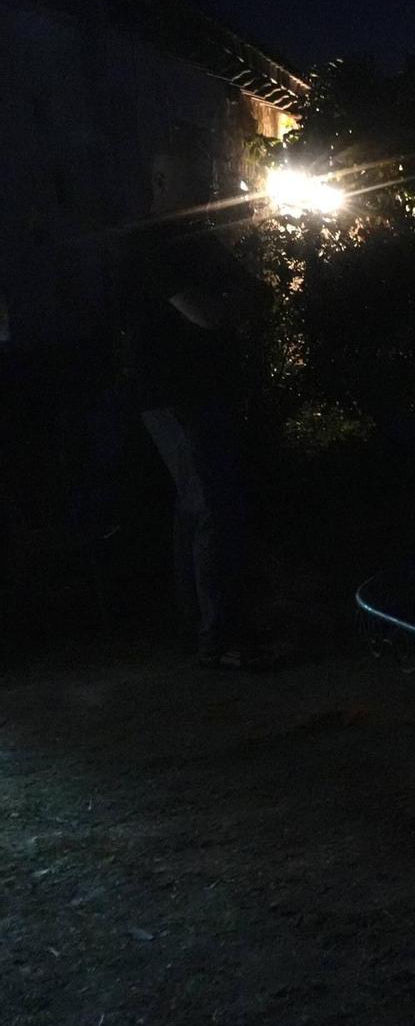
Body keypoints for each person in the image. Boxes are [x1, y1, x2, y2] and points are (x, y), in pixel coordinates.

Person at [124, 159, 269, 669]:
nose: (210, 186)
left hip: (203, 393)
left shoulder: (199, 240)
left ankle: (210, 627)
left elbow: (256, 293)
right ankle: (217, 636)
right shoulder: (153, 244)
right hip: (175, 397)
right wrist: (228, 308)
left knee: (200, 509)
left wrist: (226, 307)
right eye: (197, 177)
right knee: (209, 508)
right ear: (162, 181)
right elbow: (209, 313)